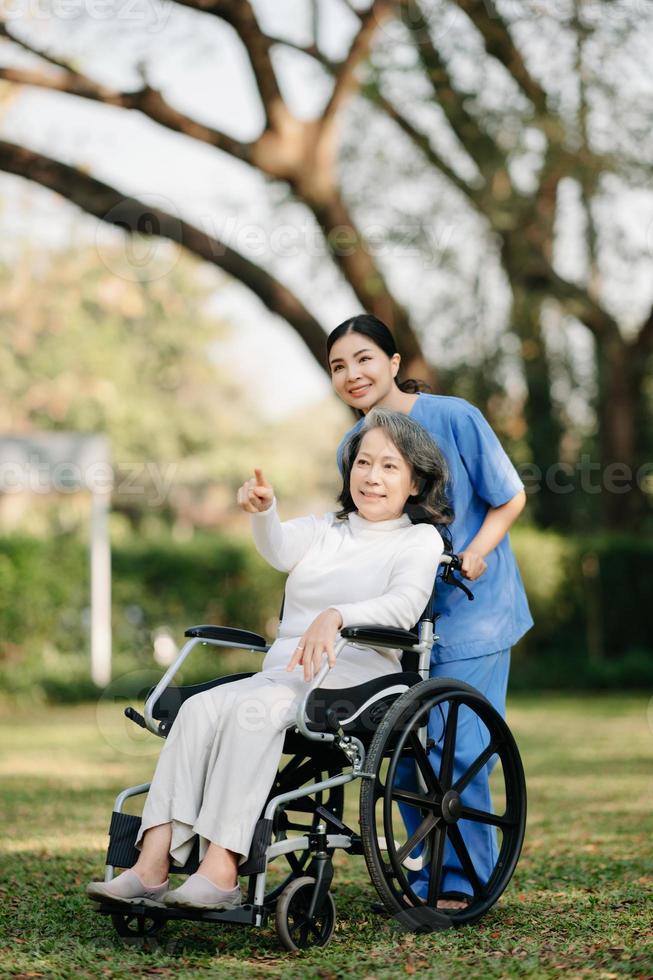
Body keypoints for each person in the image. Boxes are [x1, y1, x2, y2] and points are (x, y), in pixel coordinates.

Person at [86, 408, 450, 913]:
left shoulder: (419, 538)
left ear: (415, 481)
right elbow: (278, 548)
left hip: (359, 679)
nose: (372, 476)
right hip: (288, 673)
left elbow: (405, 605)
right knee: (199, 710)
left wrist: (337, 615)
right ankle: (150, 866)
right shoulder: (328, 528)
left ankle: (221, 870)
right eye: (363, 462)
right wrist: (264, 511)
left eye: (389, 466)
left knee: (253, 711)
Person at [327, 314, 533, 909]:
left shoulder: (454, 416)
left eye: (364, 358)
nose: (352, 374)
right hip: (401, 623)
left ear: (393, 362)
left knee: (460, 749)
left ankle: (464, 884)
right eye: (339, 366)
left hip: (473, 612)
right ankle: (424, 874)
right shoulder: (352, 445)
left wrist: (473, 553)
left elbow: (509, 496)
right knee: (411, 755)